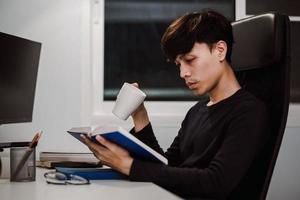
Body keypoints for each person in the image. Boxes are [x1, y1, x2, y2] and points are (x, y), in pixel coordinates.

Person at [81, 10, 269, 199]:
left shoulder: (249, 112)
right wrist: (140, 115)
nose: (183, 73)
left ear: (220, 50)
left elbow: (216, 182)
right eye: (179, 64)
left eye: (189, 60)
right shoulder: (196, 112)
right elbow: (168, 166)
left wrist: (129, 166)